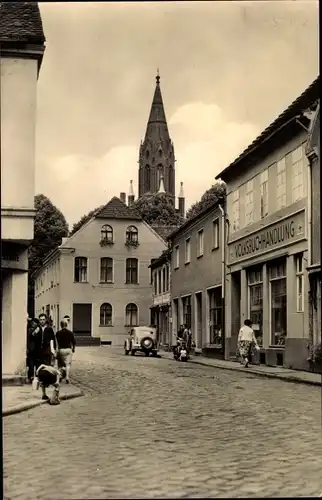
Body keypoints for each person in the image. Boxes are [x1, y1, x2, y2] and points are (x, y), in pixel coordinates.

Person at [56, 319, 76, 384]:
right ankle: (67, 377)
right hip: (68, 350)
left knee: (60, 365)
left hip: (61, 350)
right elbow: (74, 342)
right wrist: (73, 349)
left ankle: (59, 377)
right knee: (68, 364)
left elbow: (57, 342)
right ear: (66, 325)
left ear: (60, 325)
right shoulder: (70, 333)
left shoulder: (58, 333)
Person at [26, 318, 40, 382]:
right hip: (31, 350)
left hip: (37, 350)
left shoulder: (38, 330)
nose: (33, 324)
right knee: (31, 365)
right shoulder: (30, 330)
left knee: (37, 364)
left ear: (37, 324)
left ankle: (36, 377)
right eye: (32, 323)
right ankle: (31, 376)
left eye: (34, 323)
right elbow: (30, 337)